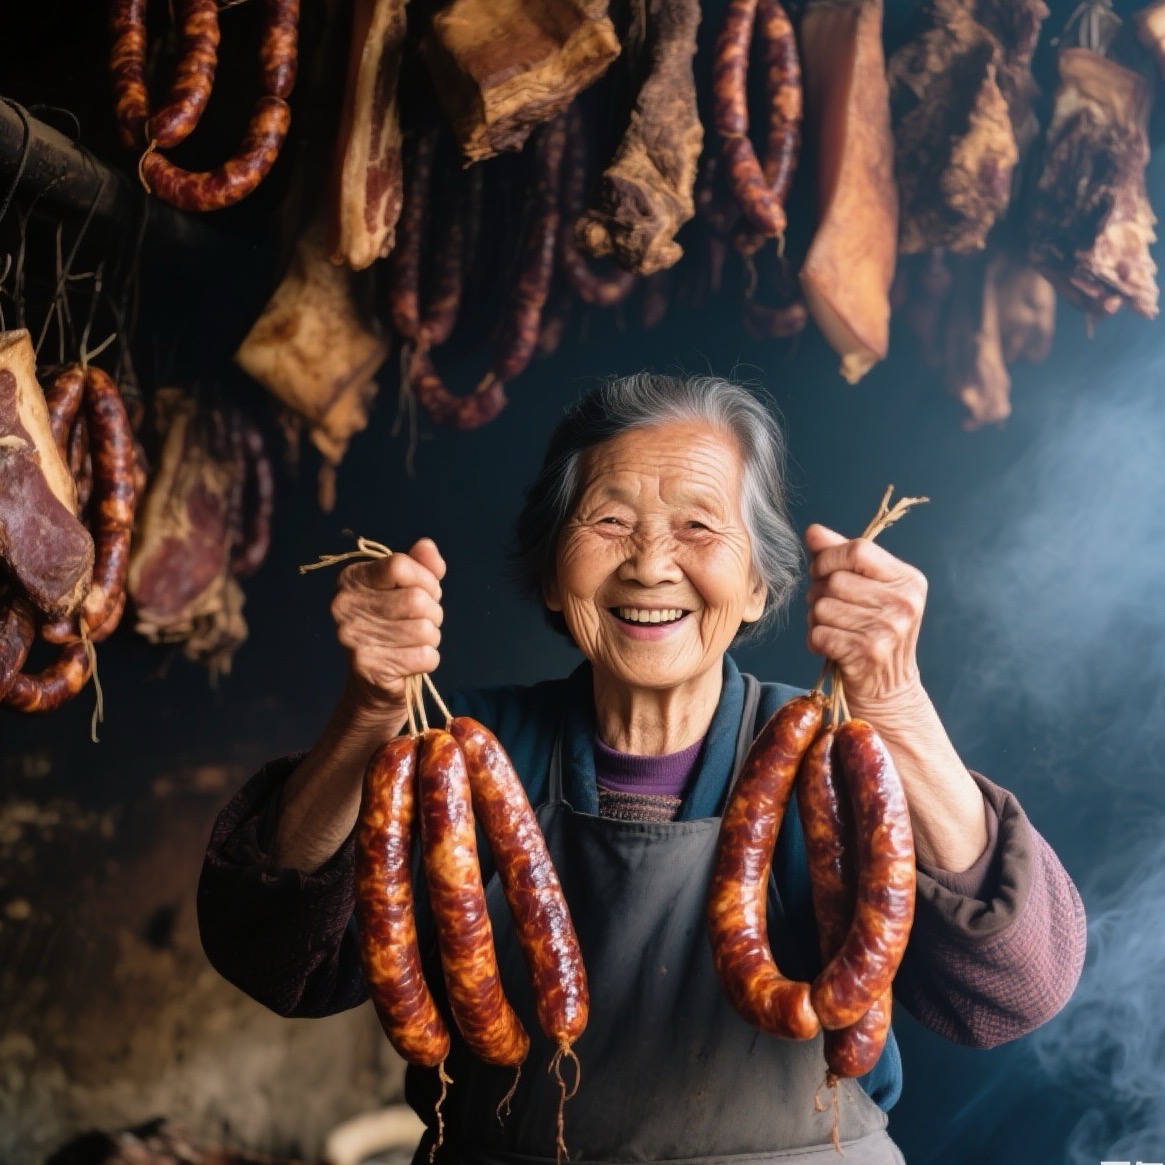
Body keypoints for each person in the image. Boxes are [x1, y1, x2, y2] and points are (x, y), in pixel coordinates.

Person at [198, 373, 1086, 1165]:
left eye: (698, 525)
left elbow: (1014, 991)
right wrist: (367, 709)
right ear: (553, 576)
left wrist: (896, 706)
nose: (651, 563)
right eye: (609, 521)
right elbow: (278, 963)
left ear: (761, 588)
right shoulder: (457, 750)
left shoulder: (832, 752)